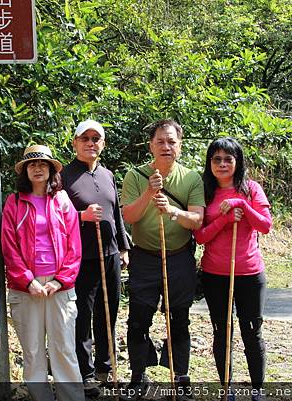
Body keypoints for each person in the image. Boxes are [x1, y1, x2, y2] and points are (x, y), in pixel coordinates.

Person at [120, 119, 205, 400]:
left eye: (171, 142)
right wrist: (149, 192)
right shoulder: (135, 176)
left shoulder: (191, 178)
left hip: (179, 257)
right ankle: (138, 375)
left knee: (179, 318)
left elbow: (196, 220)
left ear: (179, 146)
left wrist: (172, 211)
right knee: (138, 319)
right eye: (160, 141)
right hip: (144, 257)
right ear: (151, 146)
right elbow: (129, 217)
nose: (166, 146)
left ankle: (180, 377)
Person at [1, 145, 84, 401]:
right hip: (26, 288)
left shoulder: (62, 201)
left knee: (64, 349)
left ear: (51, 170)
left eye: (42, 164)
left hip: (60, 287)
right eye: (32, 164)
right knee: (33, 351)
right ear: (25, 171)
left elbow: (74, 246)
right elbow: (9, 246)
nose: (37, 168)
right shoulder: (14, 202)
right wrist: (28, 280)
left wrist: (60, 281)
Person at [194, 138, 272, 401]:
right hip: (216, 274)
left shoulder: (251, 189)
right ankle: (226, 389)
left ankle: (257, 390)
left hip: (250, 273)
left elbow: (265, 225)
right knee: (221, 330)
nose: (223, 164)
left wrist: (242, 205)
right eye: (217, 159)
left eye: (228, 158)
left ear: (238, 162)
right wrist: (225, 219)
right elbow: (201, 237)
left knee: (251, 330)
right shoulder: (204, 192)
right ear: (210, 163)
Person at [60, 119, 130, 396]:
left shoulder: (107, 174)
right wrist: (81, 217)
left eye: (96, 139)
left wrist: (123, 247)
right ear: (75, 142)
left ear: (103, 144)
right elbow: (56, 216)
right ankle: (85, 372)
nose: (91, 143)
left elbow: (117, 214)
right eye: (85, 138)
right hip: (81, 257)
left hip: (110, 254)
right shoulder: (64, 176)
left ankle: (106, 366)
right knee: (83, 315)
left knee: (109, 310)